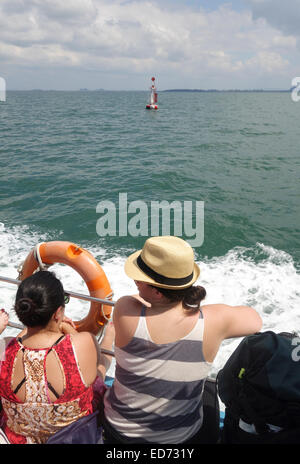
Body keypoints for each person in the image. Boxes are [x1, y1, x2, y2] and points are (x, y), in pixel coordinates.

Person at [103, 235, 262, 444]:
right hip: (179, 441)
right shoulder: (214, 321)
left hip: (117, 431)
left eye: (141, 280)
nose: (136, 282)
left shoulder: (125, 309)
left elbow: (139, 300)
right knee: (208, 392)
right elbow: (255, 320)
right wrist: (195, 306)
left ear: (158, 293)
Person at [0, 270, 114, 444]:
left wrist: (36, 325)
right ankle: (110, 336)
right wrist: (66, 327)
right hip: (74, 439)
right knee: (98, 372)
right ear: (57, 312)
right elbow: (85, 360)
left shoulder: (4, 347)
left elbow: (21, 341)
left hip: (17, 440)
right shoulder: (83, 342)